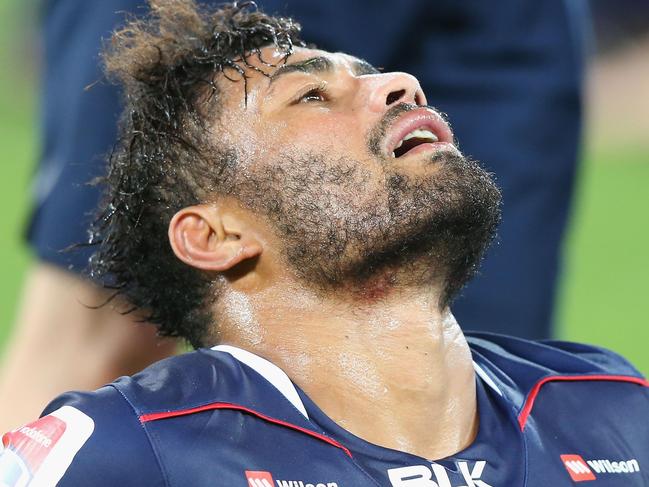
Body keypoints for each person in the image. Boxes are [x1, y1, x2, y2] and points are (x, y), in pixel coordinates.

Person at [1, 3, 645, 486]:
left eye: (375, 78)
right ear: (216, 234)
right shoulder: (127, 454)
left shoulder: (611, 410)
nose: (403, 84)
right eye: (313, 95)